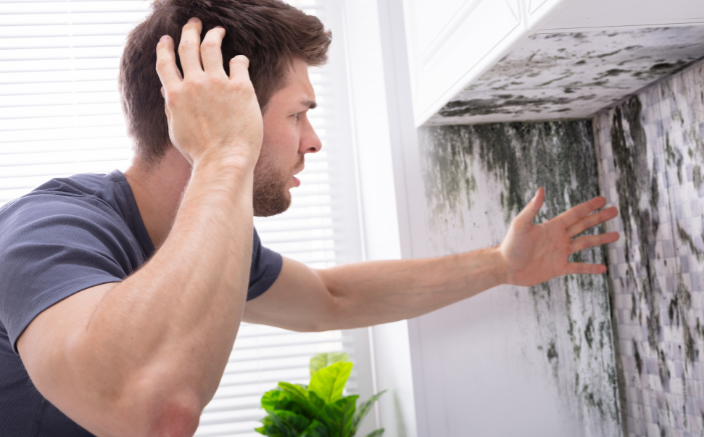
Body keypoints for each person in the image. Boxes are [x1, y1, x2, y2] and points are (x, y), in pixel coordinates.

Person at [0, 1, 619, 436]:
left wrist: (501, 265)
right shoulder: (49, 233)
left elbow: (332, 298)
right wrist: (223, 153)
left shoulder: (209, 243)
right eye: (297, 114)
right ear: (217, 107)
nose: (313, 140)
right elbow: (154, 415)